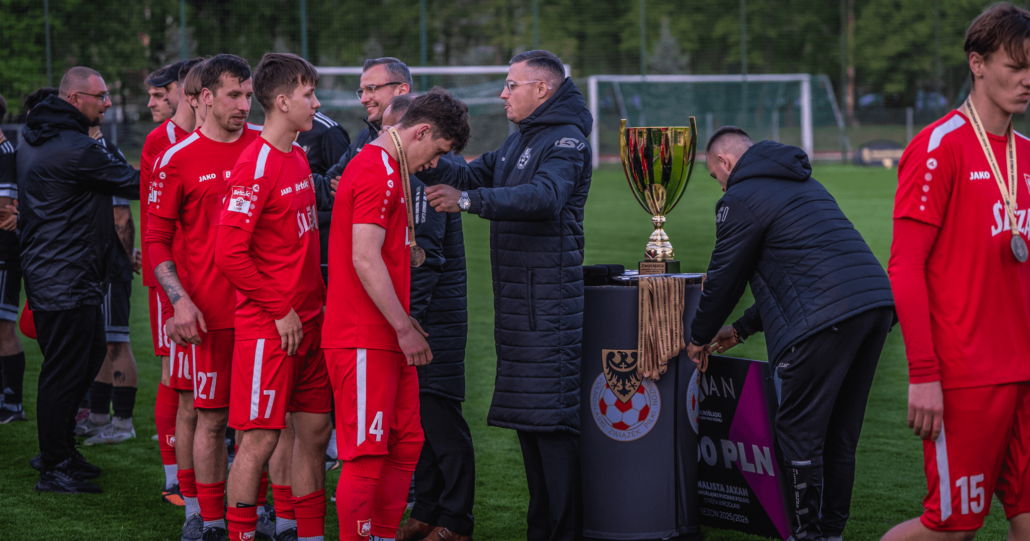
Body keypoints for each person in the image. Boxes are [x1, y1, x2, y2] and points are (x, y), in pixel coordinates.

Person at [684, 127, 895, 540]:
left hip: (825, 320)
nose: (719, 185)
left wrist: (697, 337)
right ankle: (830, 533)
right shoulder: (805, 185)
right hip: (874, 308)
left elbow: (724, 279)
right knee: (840, 435)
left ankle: (808, 536)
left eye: (715, 175)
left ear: (725, 162)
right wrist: (741, 329)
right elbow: (803, 274)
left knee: (799, 434)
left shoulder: (739, 198)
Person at [421, 50, 591, 541]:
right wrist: (420, 158)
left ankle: (564, 533)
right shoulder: (523, 139)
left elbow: (545, 197)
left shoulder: (566, 140)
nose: (502, 94)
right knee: (532, 425)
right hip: (523, 307)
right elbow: (471, 173)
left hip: (547, 308)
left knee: (552, 429)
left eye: (511, 85)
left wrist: (468, 202)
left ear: (542, 89)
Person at [882, 4, 1030, 540]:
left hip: (1025, 371)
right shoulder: (938, 147)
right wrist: (924, 374)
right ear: (978, 63)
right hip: (966, 376)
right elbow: (905, 267)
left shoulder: (1028, 154)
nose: (1027, 79)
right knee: (951, 530)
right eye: (1016, 66)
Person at [324, 88, 469, 541]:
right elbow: (365, 257)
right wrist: (403, 326)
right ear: (420, 132)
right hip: (363, 336)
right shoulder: (374, 169)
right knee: (367, 454)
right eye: (437, 151)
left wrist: (403, 323)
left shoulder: (392, 169)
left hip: (389, 332)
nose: (433, 164)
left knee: (406, 444)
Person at [217, 52, 333, 541]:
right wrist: (280, 309)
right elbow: (229, 253)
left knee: (314, 435)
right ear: (283, 102)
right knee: (259, 441)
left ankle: (305, 533)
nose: (316, 103)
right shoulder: (255, 163)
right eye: (309, 94)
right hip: (271, 329)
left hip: (311, 324)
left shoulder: (299, 156)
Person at [147, 54, 261, 541]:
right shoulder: (176, 158)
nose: (244, 105)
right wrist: (179, 301)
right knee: (209, 419)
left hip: (265, 312)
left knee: (264, 424)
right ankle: (205, 517)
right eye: (235, 95)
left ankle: (256, 512)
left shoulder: (266, 147)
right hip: (209, 315)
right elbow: (156, 240)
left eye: (248, 95)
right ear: (206, 98)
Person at [17, 66, 140, 493]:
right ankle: (54, 465)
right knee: (64, 372)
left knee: (83, 363)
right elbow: (135, 182)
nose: (107, 102)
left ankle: (61, 452)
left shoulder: (41, 136)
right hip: (65, 277)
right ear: (74, 100)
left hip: (63, 274)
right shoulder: (76, 147)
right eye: (100, 96)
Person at [380, 95, 474, 541]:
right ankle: (428, 510)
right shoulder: (402, 169)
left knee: (440, 419)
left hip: (434, 323)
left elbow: (425, 258)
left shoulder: (421, 176)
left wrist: (407, 323)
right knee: (421, 422)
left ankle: (457, 520)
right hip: (423, 319)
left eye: (388, 128)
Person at [140, 57, 204, 506]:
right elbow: (157, 222)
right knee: (175, 374)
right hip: (172, 277)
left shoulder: (221, 136)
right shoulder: (161, 141)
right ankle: (174, 479)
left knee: (206, 379)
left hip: (210, 274)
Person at [76, 127, 143, 447]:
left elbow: (121, 215)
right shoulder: (89, 148)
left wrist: (126, 257)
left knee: (116, 341)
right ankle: (99, 416)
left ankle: (123, 422)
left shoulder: (103, 151)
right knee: (101, 342)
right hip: (98, 265)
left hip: (111, 267)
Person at [0, 92, 25, 425]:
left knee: (4, 327)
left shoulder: (6, 155)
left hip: (4, 254)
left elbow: (4, 211)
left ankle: (14, 404)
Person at [351, 58, 412, 154]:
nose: (363, 100)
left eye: (371, 89)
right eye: (362, 91)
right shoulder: (363, 137)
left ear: (401, 91)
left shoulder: (427, 137)